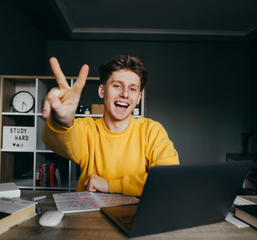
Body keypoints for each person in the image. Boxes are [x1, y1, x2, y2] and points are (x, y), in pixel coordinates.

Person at [42, 54, 179, 196]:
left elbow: (169, 180)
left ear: (138, 97)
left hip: (138, 215)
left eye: (132, 89)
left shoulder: (152, 131)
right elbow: (54, 141)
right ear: (102, 91)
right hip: (90, 216)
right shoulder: (86, 128)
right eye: (117, 86)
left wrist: (110, 185)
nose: (125, 94)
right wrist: (61, 121)